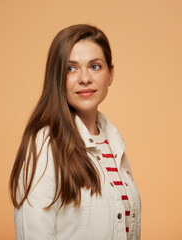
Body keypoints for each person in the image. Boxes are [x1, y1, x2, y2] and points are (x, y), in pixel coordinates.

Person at [9, 24, 141, 240]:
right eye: (71, 68)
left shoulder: (113, 144)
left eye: (95, 66)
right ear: (57, 77)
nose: (85, 78)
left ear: (111, 74)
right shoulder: (45, 145)